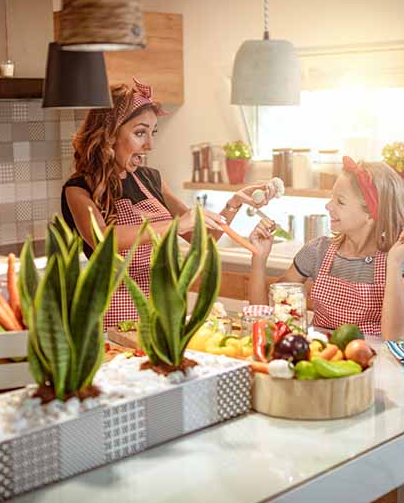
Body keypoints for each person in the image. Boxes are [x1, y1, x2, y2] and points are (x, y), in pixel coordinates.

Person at [61, 79, 276, 329]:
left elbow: (204, 238)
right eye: (140, 132)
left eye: (152, 133)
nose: (150, 145)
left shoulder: (150, 178)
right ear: (109, 134)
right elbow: (102, 239)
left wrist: (233, 202)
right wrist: (178, 223)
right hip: (112, 318)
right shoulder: (78, 188)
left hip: (164, 311)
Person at [247, 158, 404, 340]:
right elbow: (265, 314)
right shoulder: (317, 251)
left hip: (370, 359)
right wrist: (259, 259)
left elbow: (392, 336)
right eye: (331, 198)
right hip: (320, 355)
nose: (328, 206)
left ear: (371, 212)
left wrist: (394, 264)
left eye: (340, 202)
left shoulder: (396, 257)